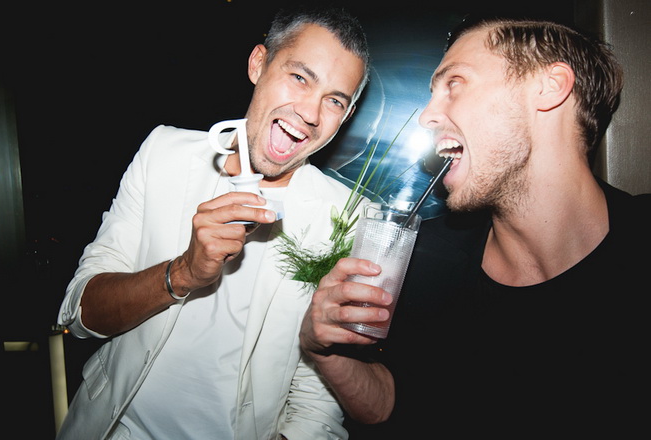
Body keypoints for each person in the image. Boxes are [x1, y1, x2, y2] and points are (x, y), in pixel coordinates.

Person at [299, 15, 651, 438]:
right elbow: (389, 403)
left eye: (455, 83)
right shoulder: (425, 259)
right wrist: (326, 351)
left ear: (550, 87)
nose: (427, 116)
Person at [56, 7, 371, 440]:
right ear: (258, 64)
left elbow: (317, 401)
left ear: (346, 116)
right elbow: (80, 313)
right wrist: (183, 272)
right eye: (300, 77)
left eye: (335, 100)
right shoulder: (163, 153)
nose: (311, 112)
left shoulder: (346, 216)